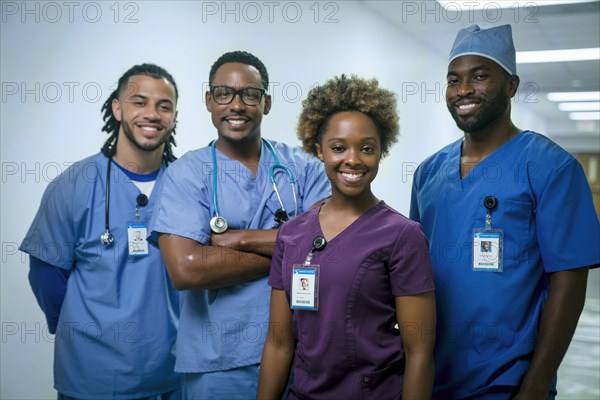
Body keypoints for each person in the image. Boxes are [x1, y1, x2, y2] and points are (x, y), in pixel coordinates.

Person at [410, 24, 600, 399]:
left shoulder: (552, 167)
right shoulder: (428, 172)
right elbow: (411, 271)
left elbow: (569, 281)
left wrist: (538, 381)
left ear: (511, 85)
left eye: (480, 76)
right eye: (453, 79)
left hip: (508, 380)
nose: (463, 90)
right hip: (430, 373)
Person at [150, 51, 330, 398]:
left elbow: (328, 246)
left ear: (267, 102)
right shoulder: (187, 173)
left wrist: (239, 239)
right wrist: (292, 250)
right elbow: (186, 270)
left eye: (250, 94)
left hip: (303, 355)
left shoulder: (304, 167)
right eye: (223, 93)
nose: (237, 104)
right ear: (208, 100)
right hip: (218, 362)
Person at [257, 74, 437, 399]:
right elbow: (279, 342)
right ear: (319, 151)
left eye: (367, 148)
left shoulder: (402, 235)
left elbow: (419, 352)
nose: (352, 159)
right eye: (338, 148)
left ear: (382, 152)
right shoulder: (292, 234)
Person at [20, 64, 181, 399]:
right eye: (139, 102)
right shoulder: (74, 185)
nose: (152, 113)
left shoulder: (188, 186)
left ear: (174, 117)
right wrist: (85, 329)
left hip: (173, 375)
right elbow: (46, 277)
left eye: (163, 106)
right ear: (117, 108)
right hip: (92, 377)